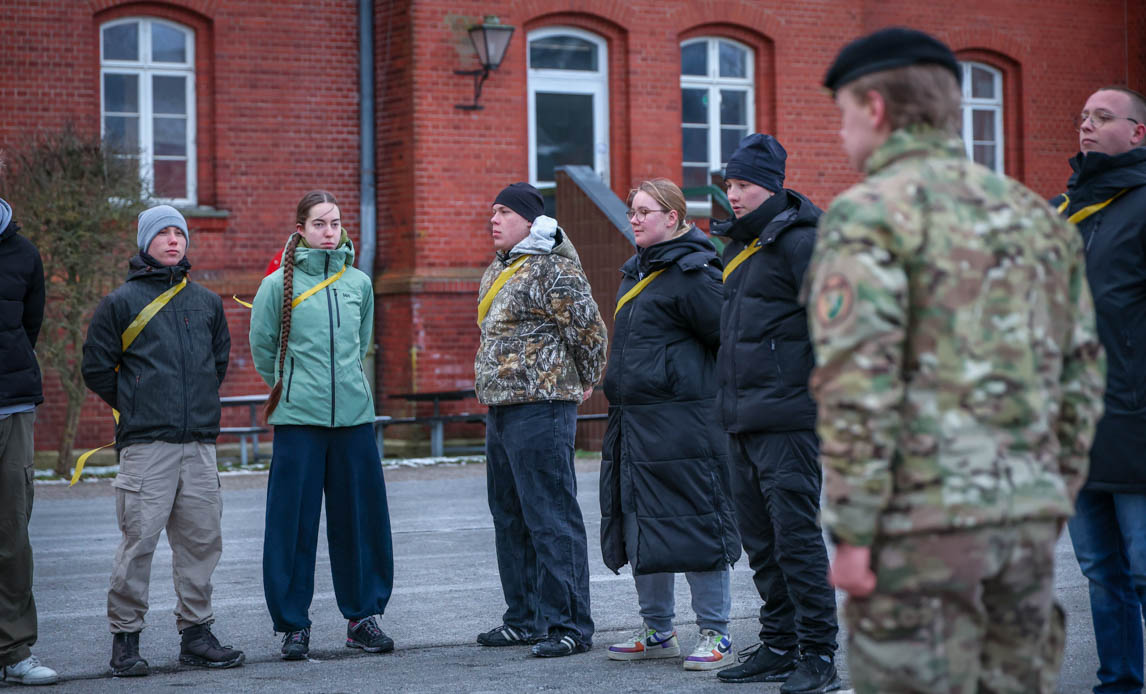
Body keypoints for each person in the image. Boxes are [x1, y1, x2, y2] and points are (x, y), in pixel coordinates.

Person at [808, 27, 1107, 694]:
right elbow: (1082, 371)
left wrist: (853, 533)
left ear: (877, 109)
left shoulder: (869, 214)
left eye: (844, 115)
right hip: (1025, 522)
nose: (841, 135)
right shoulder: (1037, 217)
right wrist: (1054, 489)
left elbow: (859, 381)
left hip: (921, 527)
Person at [82, 204, 244, 677]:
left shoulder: (208, 303)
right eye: (163, 233)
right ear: (145, 242)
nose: (174, 240)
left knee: (201, 543)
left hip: (198, 445)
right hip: (146, 446)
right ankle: (125, 641)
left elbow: (218, 364)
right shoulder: (120, 303)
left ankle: (196, 634)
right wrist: (136, 403)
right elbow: (96, 367)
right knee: (139, 544)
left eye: (180, 233)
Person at [711, 133, 840, 693]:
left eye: (742, 185)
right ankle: (780, 644)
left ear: (770, 186)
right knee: (762, 546)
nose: (732, 195)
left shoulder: (803, 242)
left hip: (789, 422)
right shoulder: (741, 249)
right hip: (742, 420)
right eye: (729, 185)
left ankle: (818, 654)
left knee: (796, 541)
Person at [599, 179, 740, 671]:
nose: (634, 219)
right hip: (635, 426)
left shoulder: (694, 274)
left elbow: (729, 342)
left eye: (645, 211)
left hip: (684, 428)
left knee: (698, 525)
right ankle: (657, 630)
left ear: (675, 219)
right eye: (633, 211)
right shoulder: (638, 271)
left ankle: (716, 633)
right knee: (641, 525)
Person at [249, 190, 394, 661]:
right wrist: (292, 387)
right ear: (301, 230)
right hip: (298, 423)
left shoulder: (360, 284)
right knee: (293, 526)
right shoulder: (276, 286)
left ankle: (363, 618)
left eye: (334, 224)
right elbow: (264, 348)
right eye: (319, 224)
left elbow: (361, 344)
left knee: (360, 522)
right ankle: (294, 625)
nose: (329, 232)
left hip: (353, 420)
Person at [474, 182, 607, 658]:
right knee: (509, 516)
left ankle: (569, 624)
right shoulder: (499, 269)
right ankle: (524, 618)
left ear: (530, 221)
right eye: (492, 211)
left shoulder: (553, 268)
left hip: (543, 406)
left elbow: (590, 330)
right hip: (502, 407)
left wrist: (586, 379)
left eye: (504, 212)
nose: (494, 219)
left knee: (551, 517)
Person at [1052, 85, 1146, 694]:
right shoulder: (1065, 209)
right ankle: (1119, 684)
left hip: (1135, 420)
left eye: (1103, 117)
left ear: (1137, 133)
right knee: (1100, 572)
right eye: (1084, 115)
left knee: (1142, 572)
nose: (1087, 125)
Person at [0, 198, 57, 687]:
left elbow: (28, 327)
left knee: (11, 538)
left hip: (11, 409)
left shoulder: (23, 253)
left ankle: (14, 650)